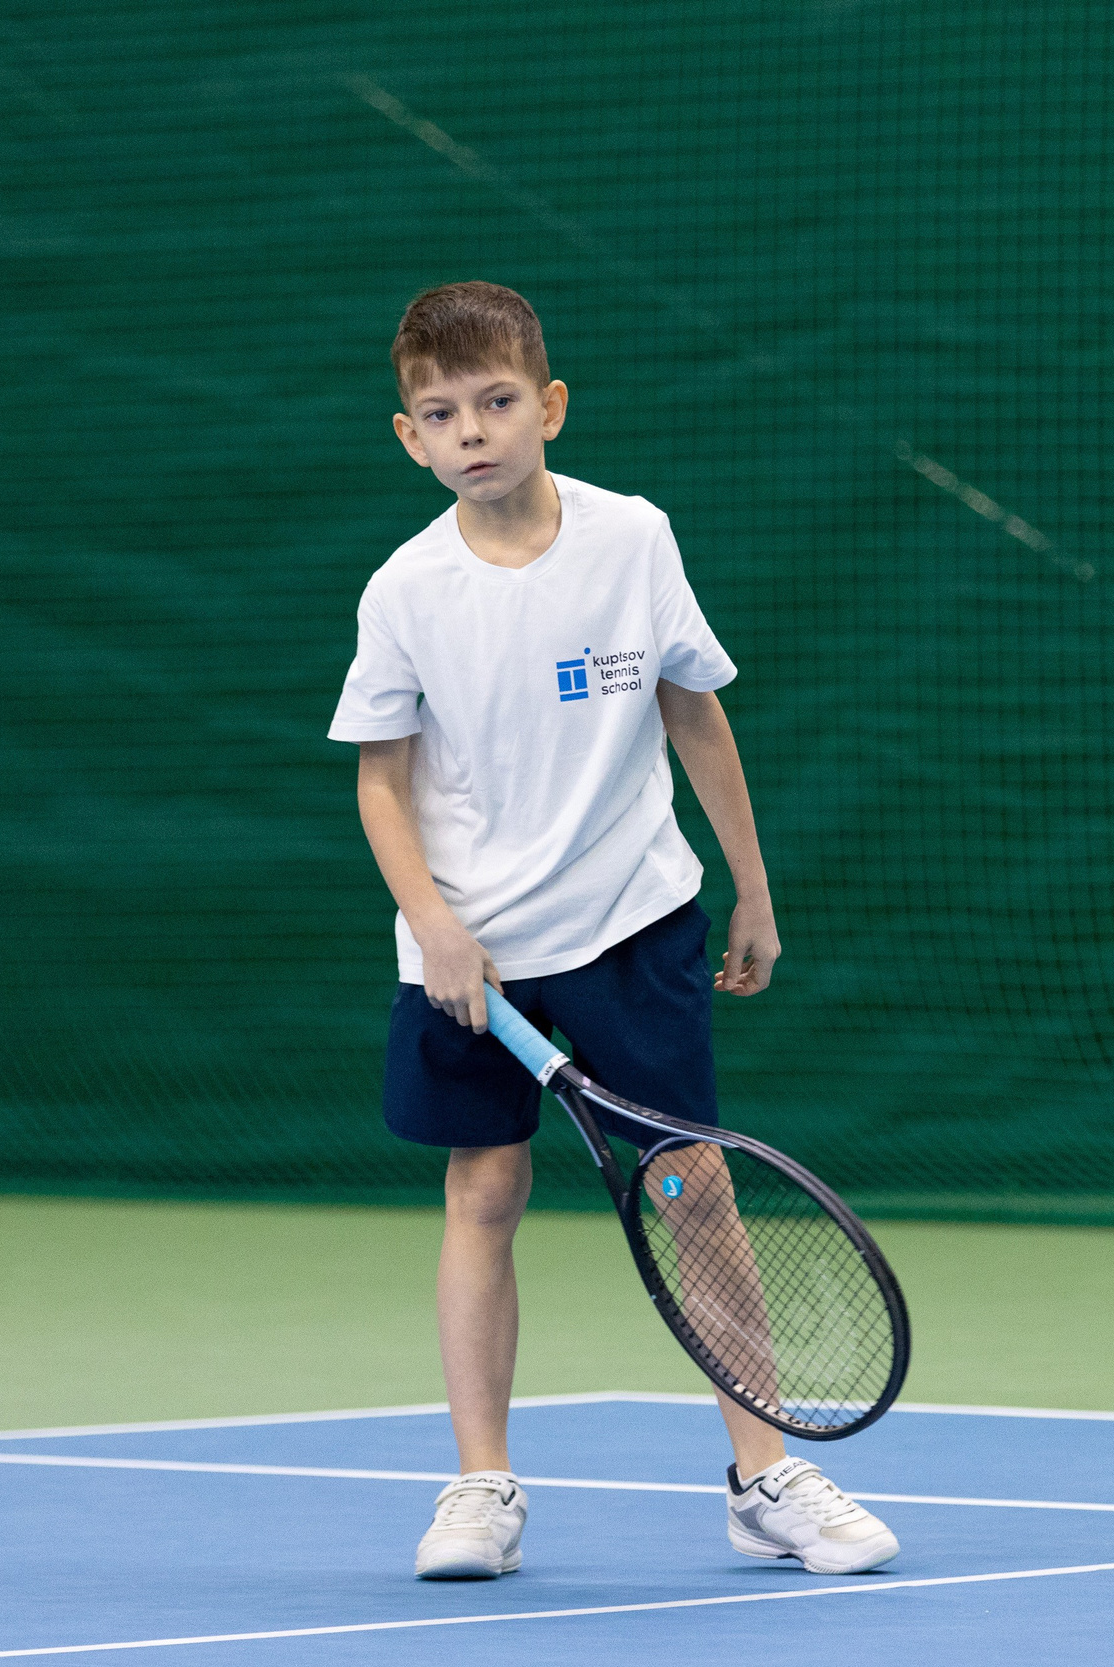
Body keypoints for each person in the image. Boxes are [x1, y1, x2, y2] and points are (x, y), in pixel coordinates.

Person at [328, 280, 900, 1582]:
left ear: (550, 406)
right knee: (484, 1191)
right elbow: (381, 783)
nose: (472, 431)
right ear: (410, 438)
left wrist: (752, 887)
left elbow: (694, 710)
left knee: (694, 1187)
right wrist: (436, 928)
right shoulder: (405, 590)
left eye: (496, 402)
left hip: (633, 926)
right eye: (440, 414)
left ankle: (766, 1477)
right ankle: (480, 1486)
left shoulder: (633, 538)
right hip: (469, 956)